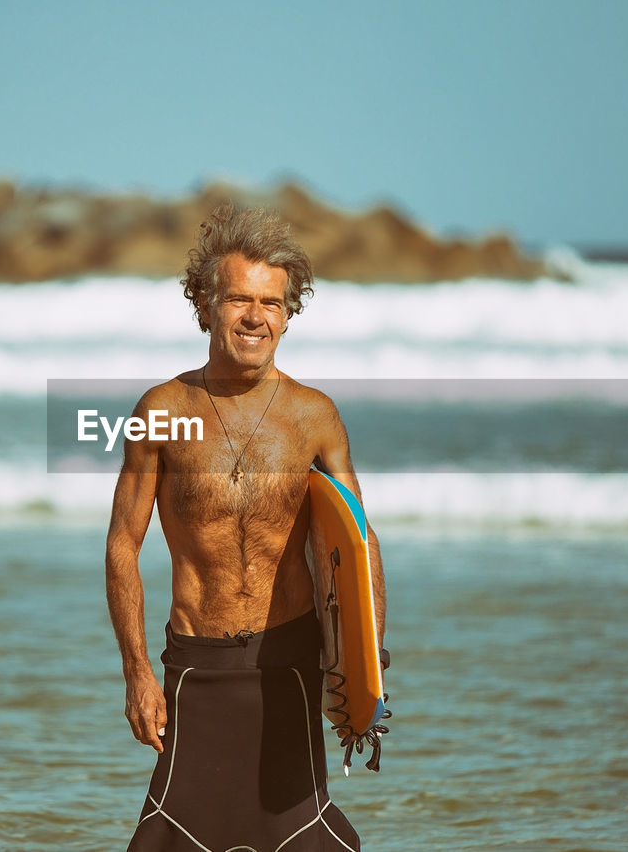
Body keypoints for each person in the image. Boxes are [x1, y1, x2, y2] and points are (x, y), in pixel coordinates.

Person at [106, 204, 386, 851]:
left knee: (304, 834)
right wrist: (137, 671)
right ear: (205, 305)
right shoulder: (162, 412)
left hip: (288, 664)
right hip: (196, 668)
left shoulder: (315, 417)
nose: (256, 317)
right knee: (172, 835)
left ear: (289, 313)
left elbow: (357, 540)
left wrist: (362, 667)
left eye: (272, 303)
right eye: (239, 299)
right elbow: (124, 541)